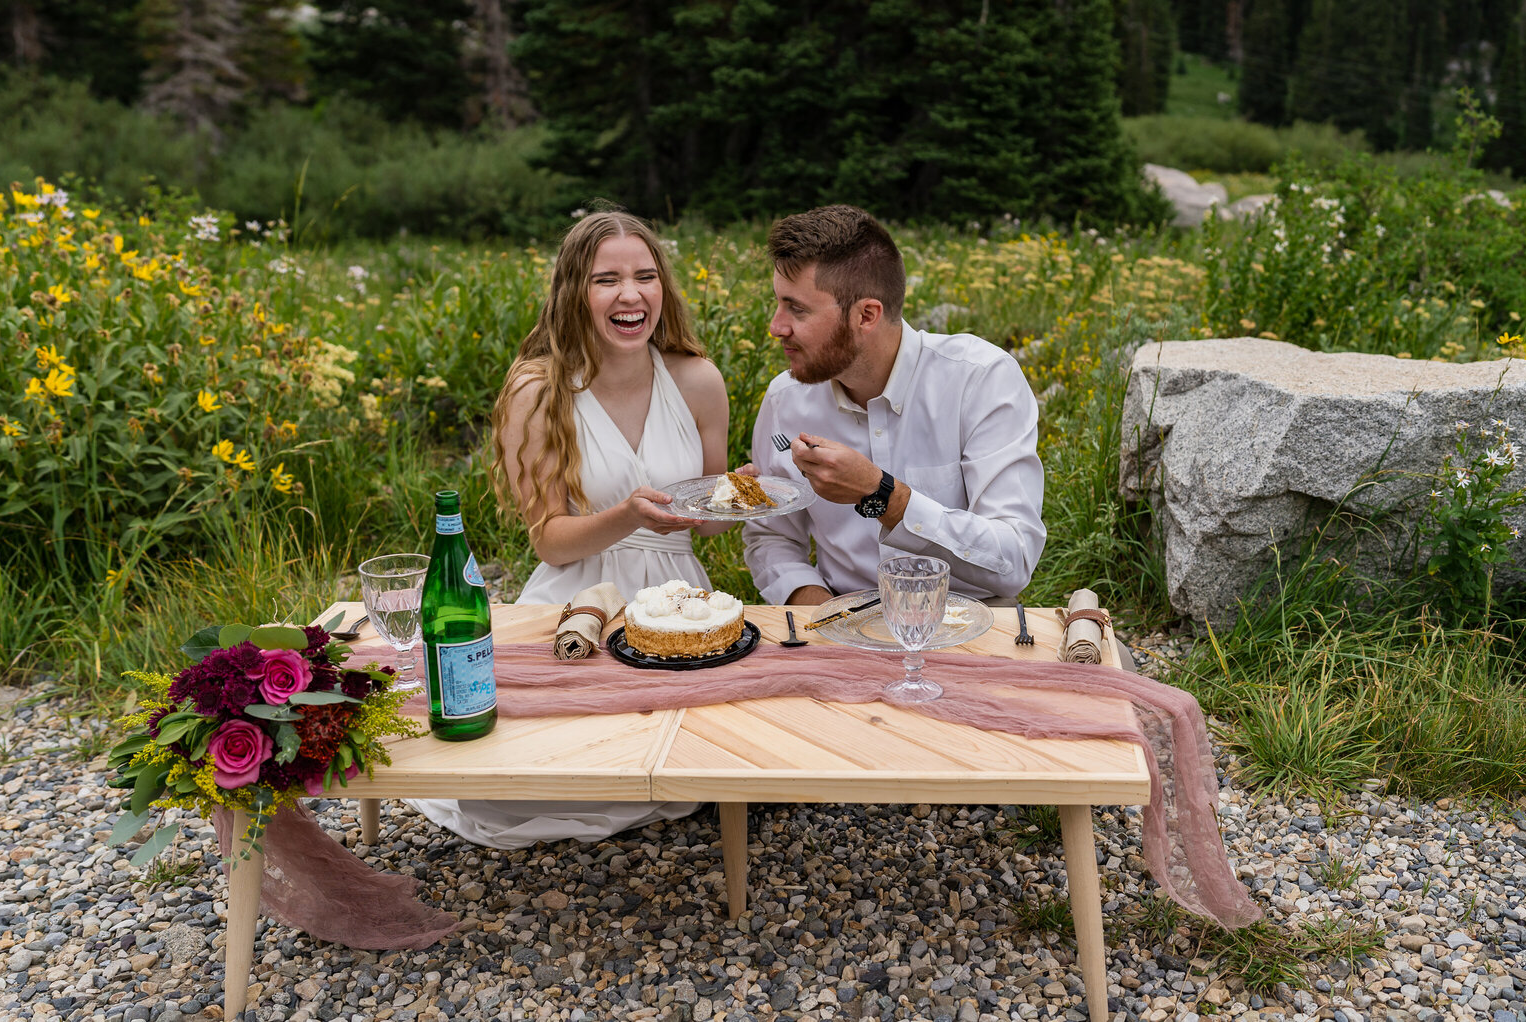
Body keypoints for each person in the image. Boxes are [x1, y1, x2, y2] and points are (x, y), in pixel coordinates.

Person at [407, 210, 726, 848]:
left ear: (663, 287)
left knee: (697, 764)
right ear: (574, 292)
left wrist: (733, 496)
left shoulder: (697, 380)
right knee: (523, 789)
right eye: (607, 279)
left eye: (645, 276)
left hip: (678, 603)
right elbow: (549, 539)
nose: (631, 294)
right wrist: (628, 516)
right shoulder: (539, 389)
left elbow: (710, 521)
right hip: (575, 596)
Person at [743, 204, 1048, 609]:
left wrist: (882, 495)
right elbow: (772, 536)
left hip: (970, 621)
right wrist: (816, 605)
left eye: (796, 309)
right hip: (841, 622)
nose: (776, 326)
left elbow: (1013, 560)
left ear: (866, 315)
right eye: (779, 304)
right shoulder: (786, 400)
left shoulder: (980, 379)